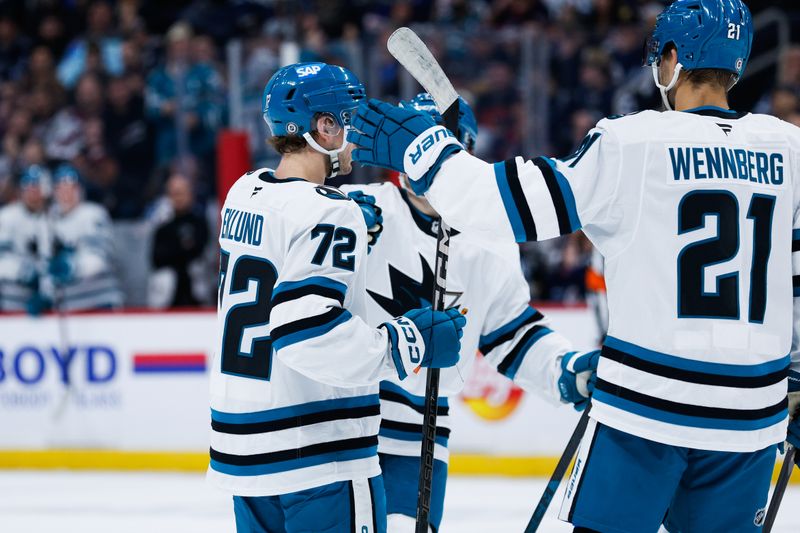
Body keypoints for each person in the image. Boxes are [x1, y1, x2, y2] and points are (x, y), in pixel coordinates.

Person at [348, 1, 799, 531]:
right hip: (748, 424)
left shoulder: (633, 142)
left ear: (673, 58)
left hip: (645, 412)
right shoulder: (789, 148)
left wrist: (424, 152)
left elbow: (505, 206)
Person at [207, 62, 466, 533]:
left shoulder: (244, 193)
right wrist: (410, 342)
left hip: (244, 453)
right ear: (323, 128)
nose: (359, 135)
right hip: (316, 451)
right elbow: (306, 333)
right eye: (350, 119)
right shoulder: (331, 212)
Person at [342, 93, 599, 532]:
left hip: (418, 433)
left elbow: (512, 333)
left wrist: (565, 370)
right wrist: (332, 225)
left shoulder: (489, 238)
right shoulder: (357, 207)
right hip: (339, 420)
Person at [49, 163, 121, 311]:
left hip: (99, 301)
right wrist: (45, 293)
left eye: (71, 188)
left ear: (80, 190)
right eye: (61, 188)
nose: (66, 193)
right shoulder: (47, 220)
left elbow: (99, 258)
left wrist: (73, 267)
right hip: (67, 305)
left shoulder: (93, 214)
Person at [150, 173, 209, 307]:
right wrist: (182, 247)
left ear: (190, 194)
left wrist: (175, 249)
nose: (178, 198)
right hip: (167, 295)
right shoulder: (162, 226)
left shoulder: (199, 222)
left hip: (196, 293)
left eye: (181, 193)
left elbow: (198, 250)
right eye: (174, 193)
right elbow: (157, 258)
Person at [0, 165, 48, 313]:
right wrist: (22, 272)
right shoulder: (6, 216)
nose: (33, 193)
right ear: (21, 191)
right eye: (28, 188)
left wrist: (47, 290)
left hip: (51, 299)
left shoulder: (54, 217)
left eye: (37, 188)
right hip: (12, 299)